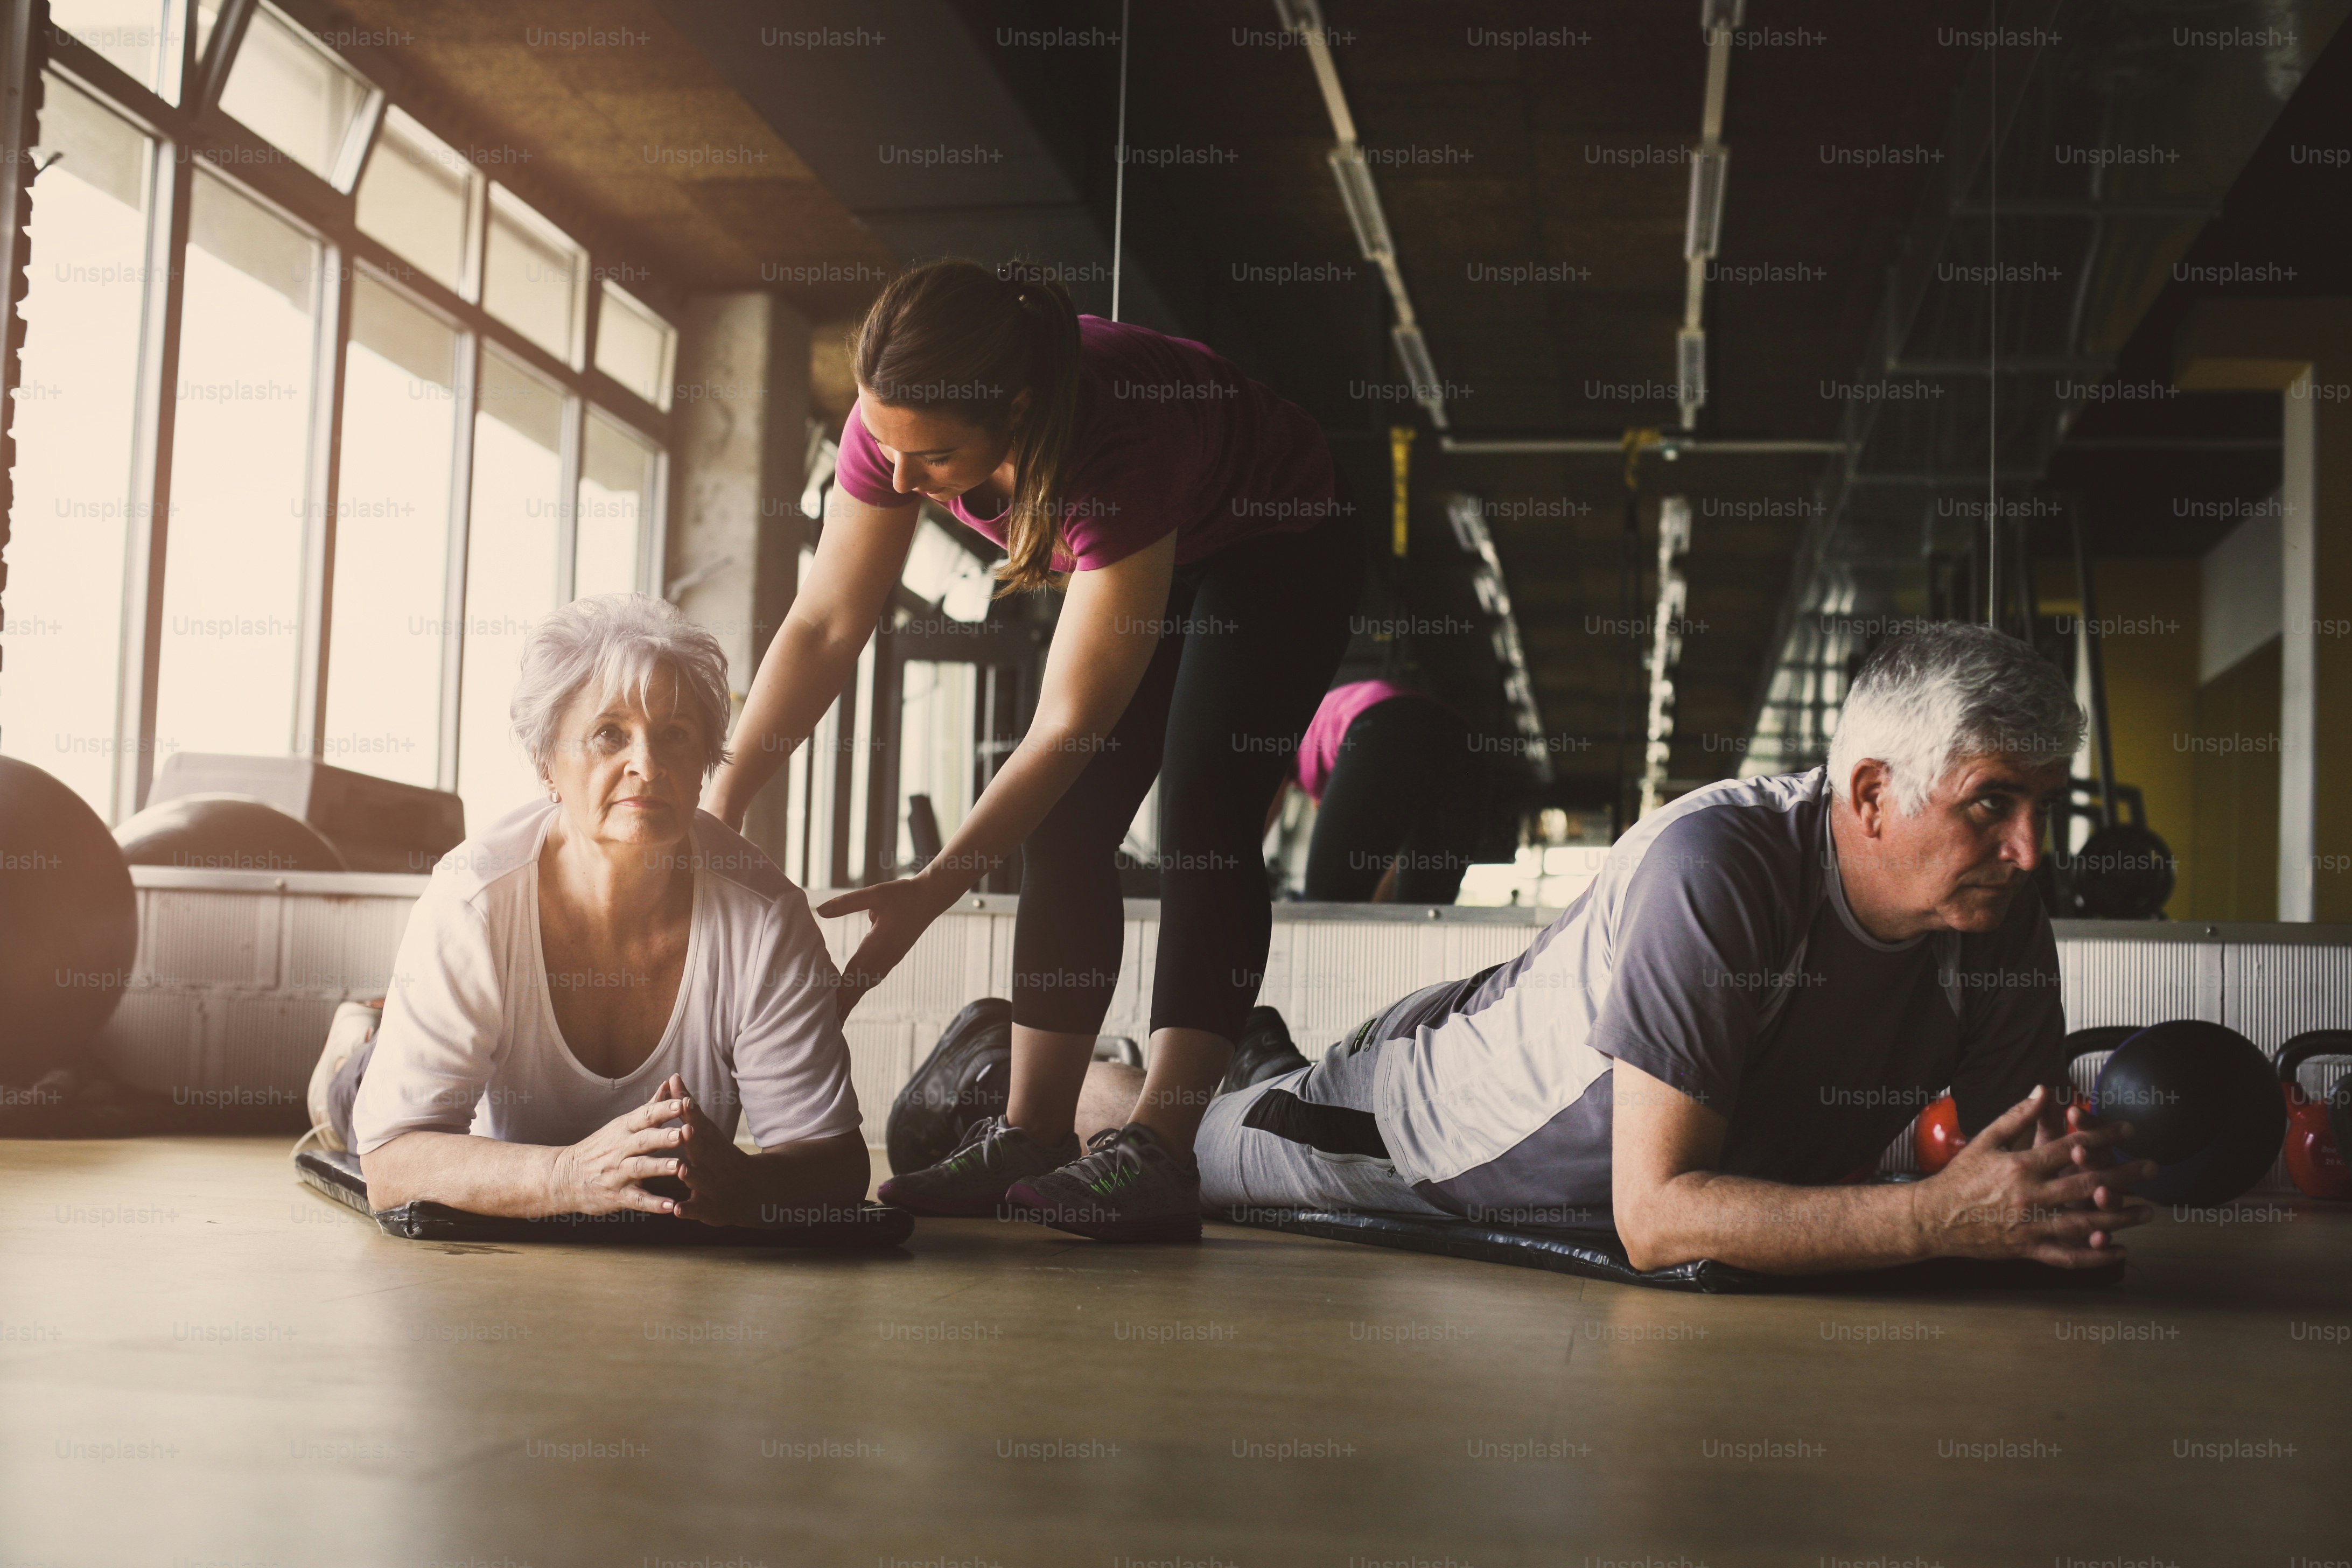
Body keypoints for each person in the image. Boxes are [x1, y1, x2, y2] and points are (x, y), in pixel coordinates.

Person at [1076, 623, 2159, 1272]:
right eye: (1995, 804)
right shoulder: (1719, 866)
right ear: (1873, 794)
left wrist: (2069, 1192)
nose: (2030, 849)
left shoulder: (1995, 907)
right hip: (1431, 1120)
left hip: (1534, 1021)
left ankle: (1264, 1062)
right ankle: (1032, 1069)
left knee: (1249, 1094)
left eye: (2042, 809)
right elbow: (1657, 1217)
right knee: (1189, 1147)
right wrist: (1932, 1218)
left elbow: (2012, 1170)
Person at [701, 259, 1362, 1243]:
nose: (900, 477)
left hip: (1272, 543)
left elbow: (1066, 721)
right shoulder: (894, 431)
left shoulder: (1116, 438)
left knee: (1204, 815)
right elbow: (824, 627)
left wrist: (934, 885)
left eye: (930, 457)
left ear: (1014, 410)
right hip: (1156, 534)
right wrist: (714, 811)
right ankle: (1030, 1132)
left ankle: (1160, 1149)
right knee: (1065, 820)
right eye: (884, 443)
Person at [349, 594, 869, 1224]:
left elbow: (836, 1163)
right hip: (435, 1116)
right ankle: (359, 1031)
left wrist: (749, 1182)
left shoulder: (764, 919)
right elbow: (387, 1164)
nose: (647, 766)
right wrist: (570, 1177)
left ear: (704, 763)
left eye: (674, 735)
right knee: (351, 1091)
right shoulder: (472, 900)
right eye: (608, 734)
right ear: (546, 763)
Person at [1274, 678, 1484, 903]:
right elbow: (1390, 861)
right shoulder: (1337, 781)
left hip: (1387, 724)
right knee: (1419, 916)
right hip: (1464, 746)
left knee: (1328, 910)